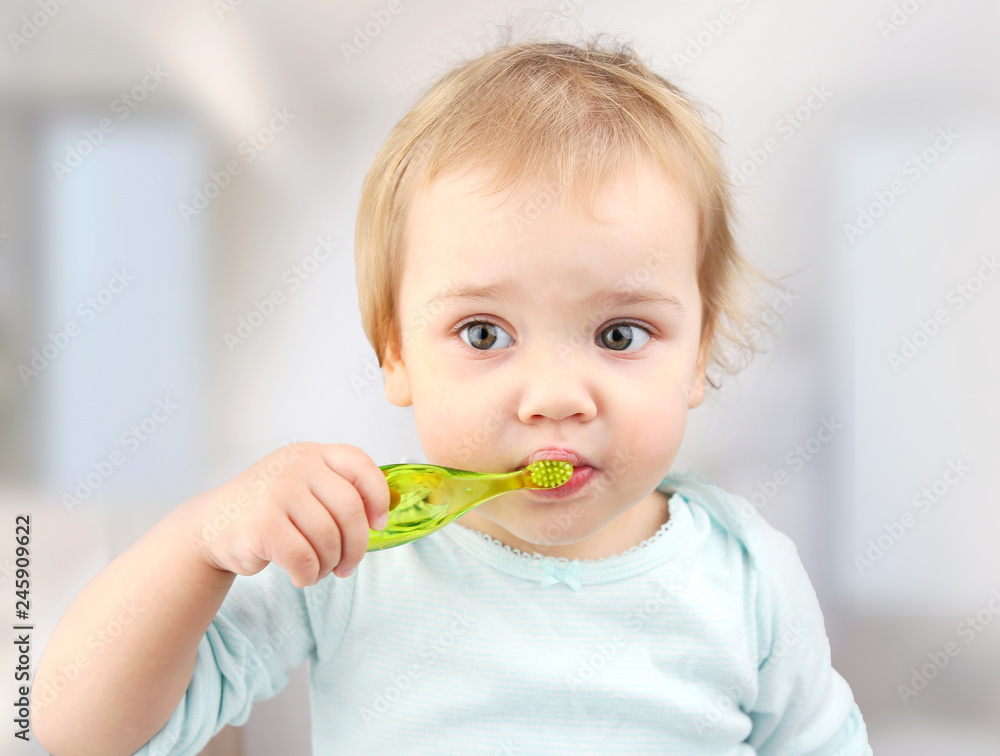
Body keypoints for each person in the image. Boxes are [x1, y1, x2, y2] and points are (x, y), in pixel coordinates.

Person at [31, 34, 873, 755]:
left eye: (620, 335)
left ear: (699, 353)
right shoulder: (355, 550)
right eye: (484, 334)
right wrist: (201, 540)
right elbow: (75, 728)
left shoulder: (746, 576)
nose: (553, 398)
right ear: (395, 352)